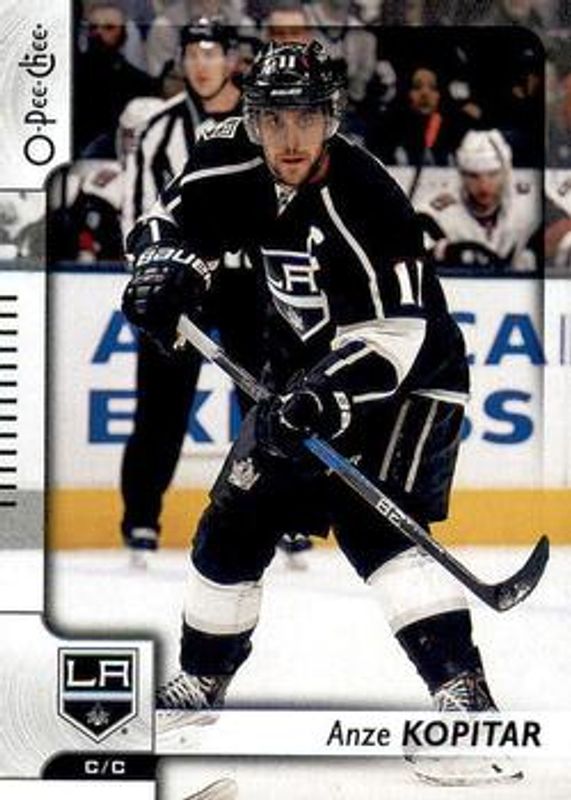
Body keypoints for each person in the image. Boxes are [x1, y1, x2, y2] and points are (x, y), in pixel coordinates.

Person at [121, 40, 521, 786]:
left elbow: (394, 337)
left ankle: (467, 704)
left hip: (409, 379)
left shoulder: (368, 198)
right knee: (233, 519)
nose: (290, 139)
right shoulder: (226, 155)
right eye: (274, 121)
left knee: (377, 527)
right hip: (300, 371)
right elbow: (162, 220)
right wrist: (159, 269)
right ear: (252, 120)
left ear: (330, 118)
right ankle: (202, 681)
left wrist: (323, 395)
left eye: (306, 118)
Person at [120, 17, 263, 565]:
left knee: (266, 404)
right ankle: (141, 518)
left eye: (211, 52)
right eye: (193, 53)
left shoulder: (262, 122)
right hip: (182, 286)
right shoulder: (159, 128)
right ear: (181, 60)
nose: (202, 64)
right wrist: (152, 274)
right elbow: (137, 212)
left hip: (250, 285)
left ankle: (280, 514)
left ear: (231, 59)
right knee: (161, 408)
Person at [416, 129, 541, 273]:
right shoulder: (436, 213)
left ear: (506, 173)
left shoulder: (529, 202)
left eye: (493, 174)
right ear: (462, 175)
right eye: (473, 176)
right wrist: (448, 252)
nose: (483, 186)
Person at [74, 1, 159, 157]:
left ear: (124, 33)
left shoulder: (141, 84)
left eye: (109, 27)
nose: (98, 33)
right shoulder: (68, 77)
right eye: (93, 27)